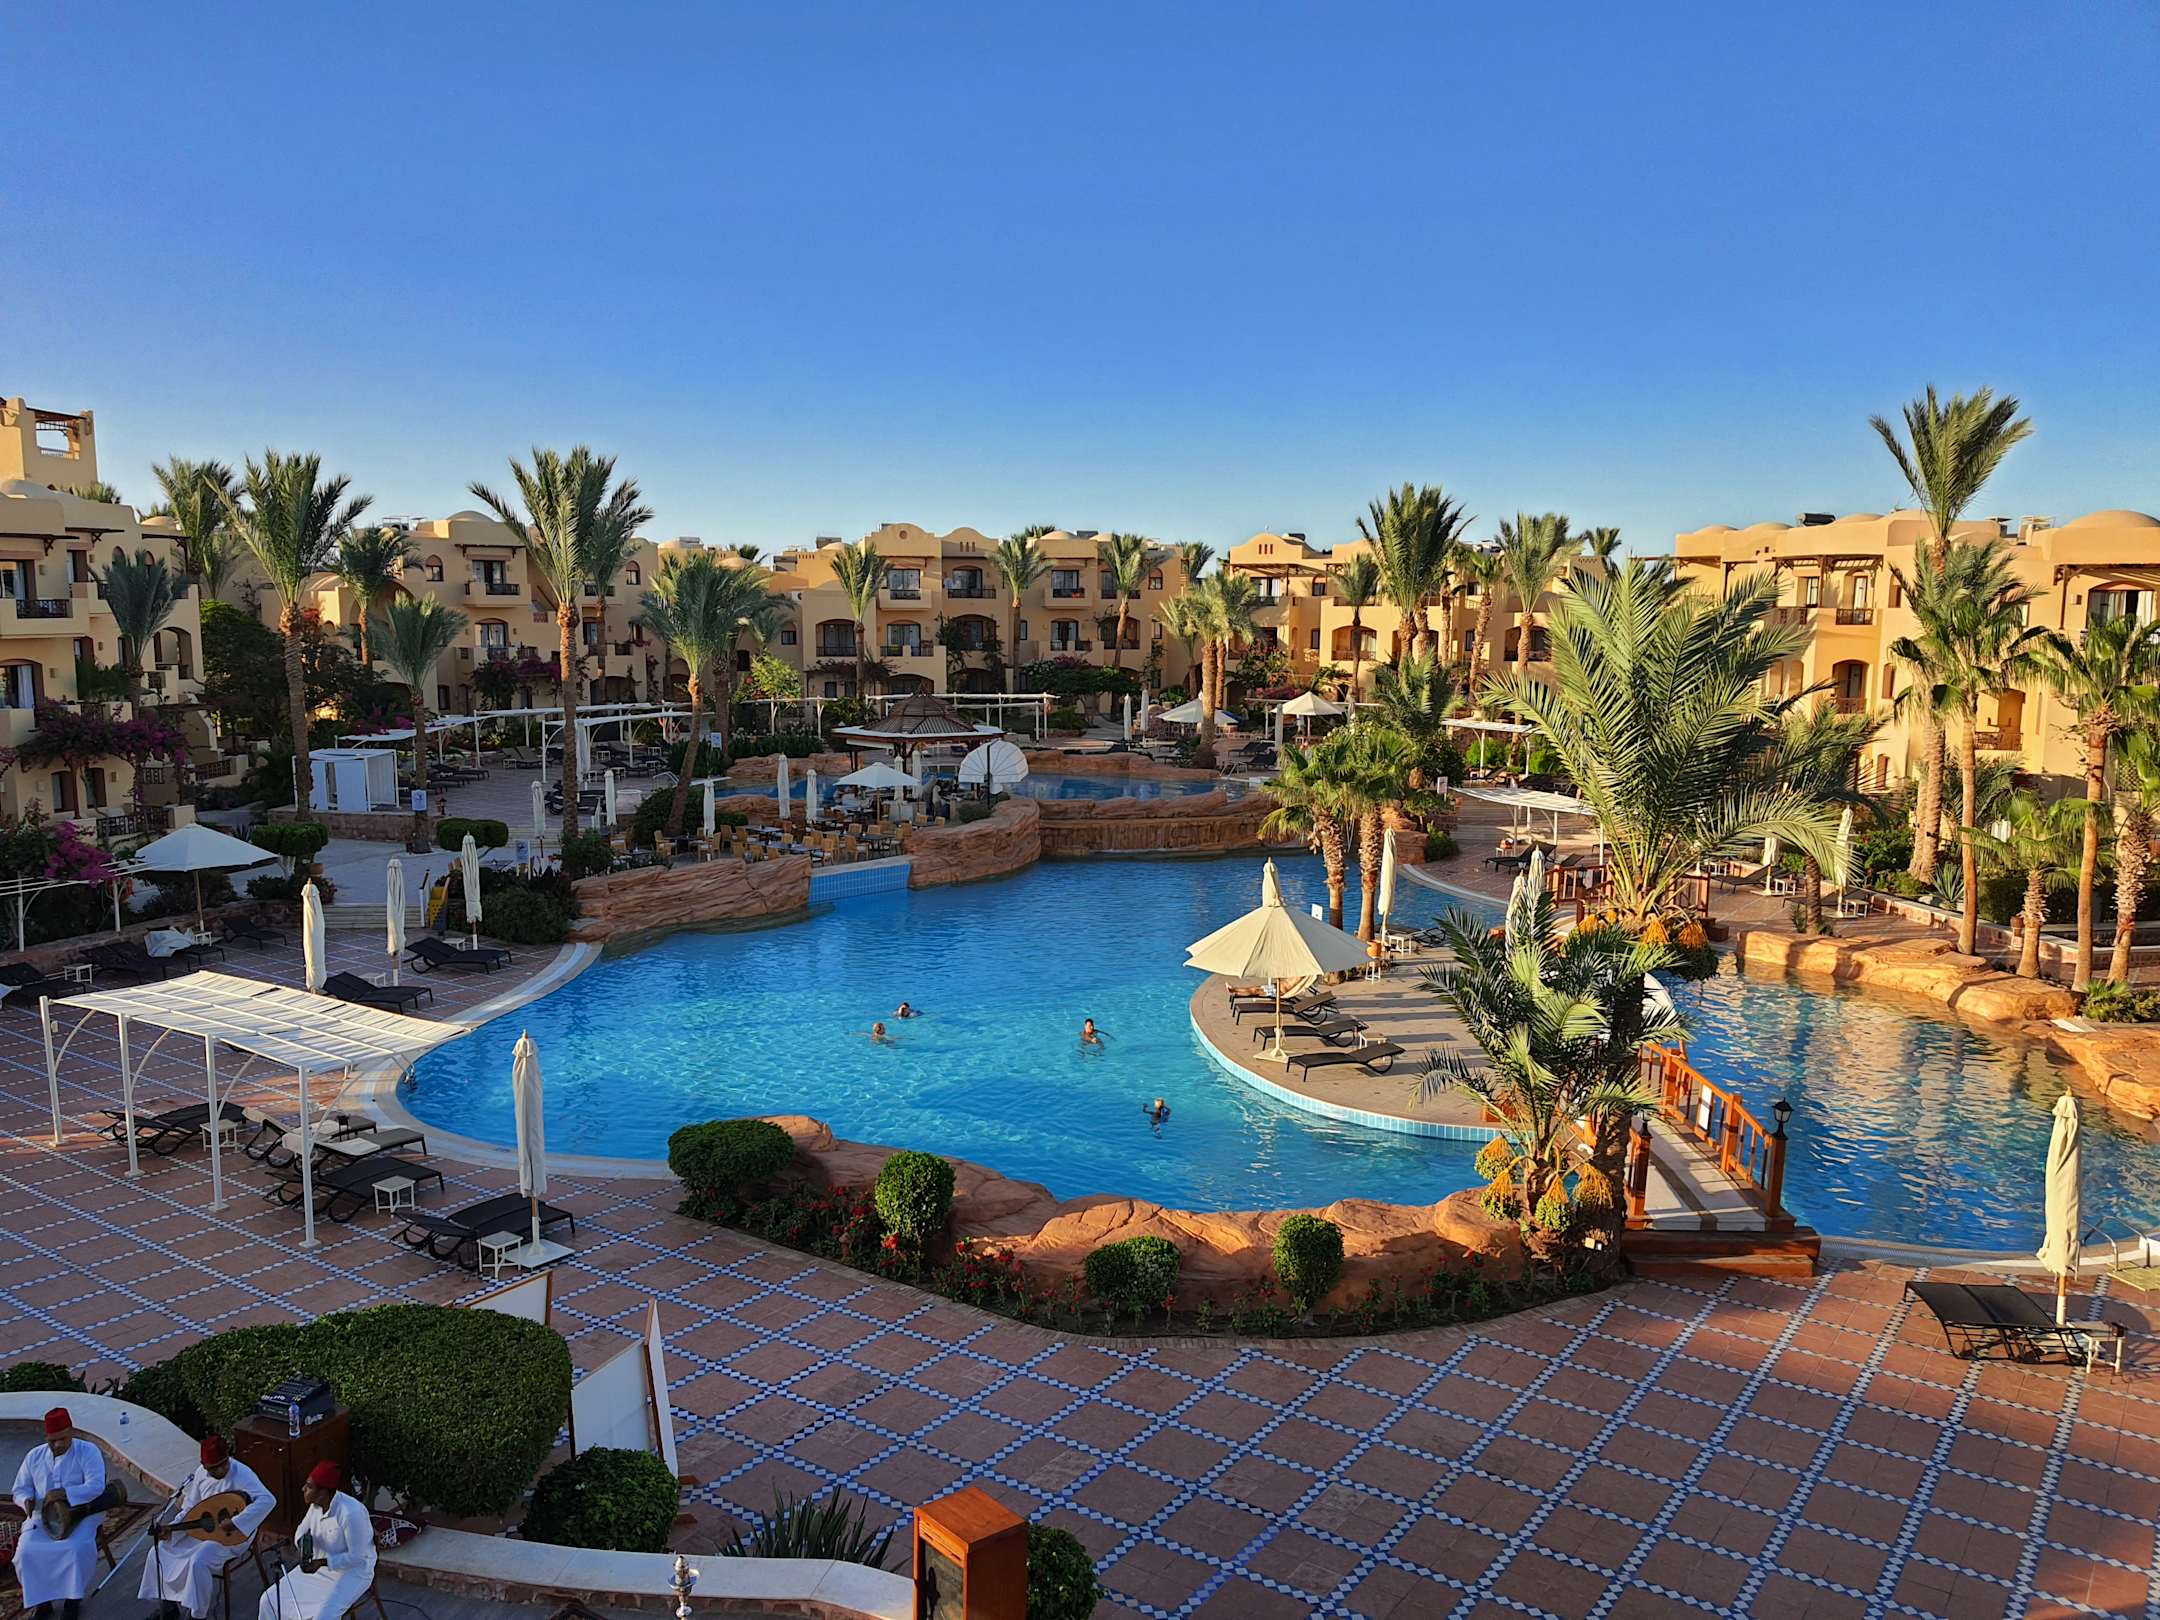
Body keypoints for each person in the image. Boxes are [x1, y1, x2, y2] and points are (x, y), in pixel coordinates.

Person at [140, 1433, 276, 1620]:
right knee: (159, 1550)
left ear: (228, 1458)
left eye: (223, 1464)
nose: (220, 1470)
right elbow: (191, 1508)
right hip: (204, 1528)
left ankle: (198, 1616)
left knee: (199, 1561)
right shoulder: (200, 1474)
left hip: (235, 1535)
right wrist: (172, 1529)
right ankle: (169, 1607)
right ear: (204, 1466)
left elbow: (268, 1500)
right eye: (213, 1468)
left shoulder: (242, 1473)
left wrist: (236, 1521)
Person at [9, 1407, 107, 1620]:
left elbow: (96, 1486)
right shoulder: (34, 1456)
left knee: (74, 1549)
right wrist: (26, 1500)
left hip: (81, 1512)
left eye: (62, 1439)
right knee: (25, 1554)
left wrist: (65, 1493)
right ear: (46, 1437)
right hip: (42, 1517)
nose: (58, 1445)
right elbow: (20, 1488)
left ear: (71, 1431)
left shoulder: (88, 1451)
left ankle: (73, 1600)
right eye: (52, 1441)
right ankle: (42, 1602)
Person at [256, 1462, 375, 1620]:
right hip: (316, 1568)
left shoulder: (351, 1513)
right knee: (268, 1600)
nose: (303, 1489)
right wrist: (304, 1546)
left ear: (323, 1492)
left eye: (309, 1486)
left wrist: (323, 1562)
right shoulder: (316, 1505)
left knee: (323, 1616)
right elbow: (301, 1530)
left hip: (351, 1573)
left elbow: (357, 1557)